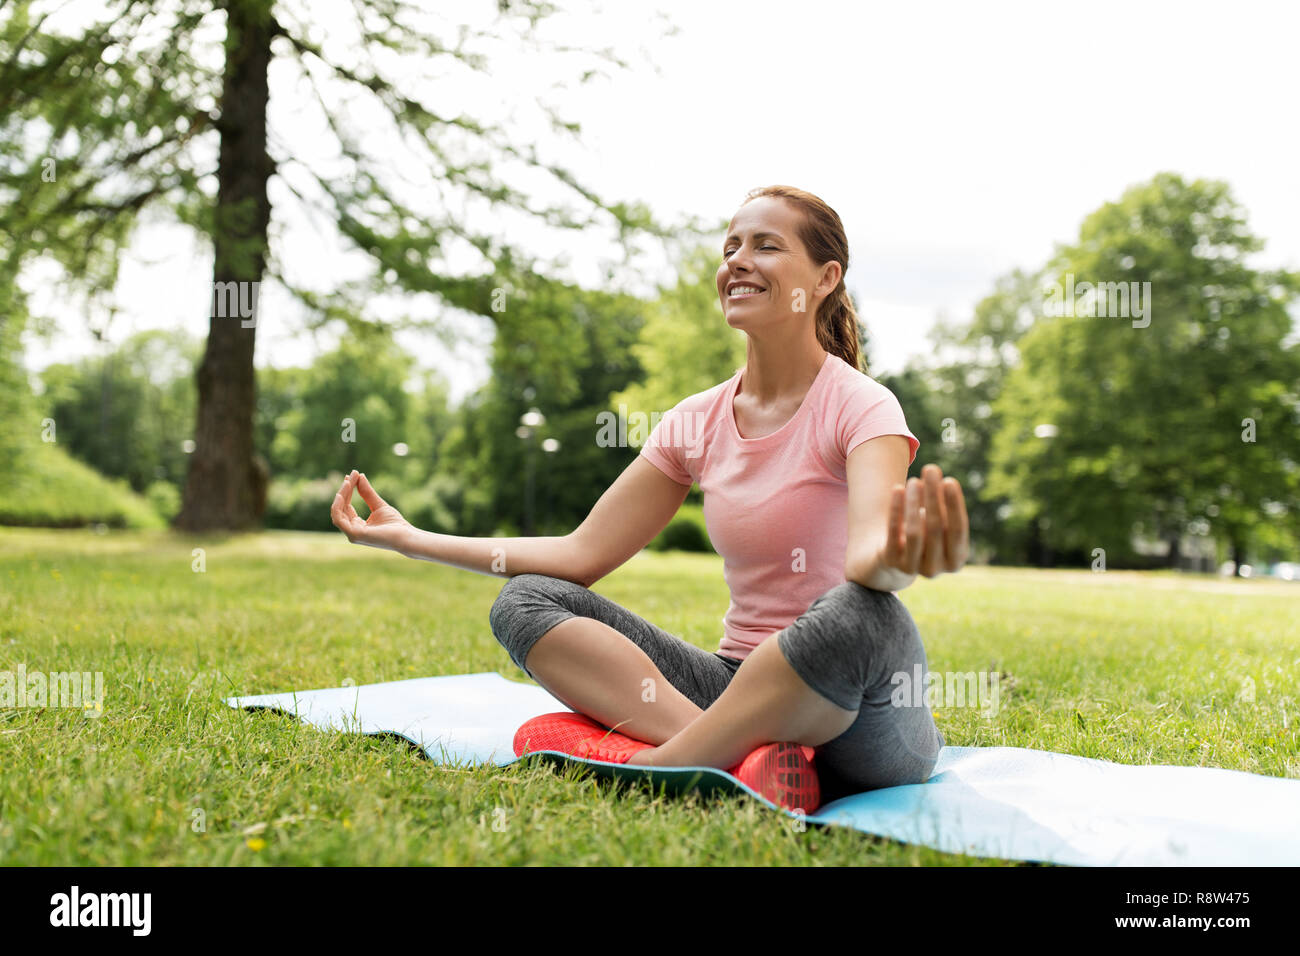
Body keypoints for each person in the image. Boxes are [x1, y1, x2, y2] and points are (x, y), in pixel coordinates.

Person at [330, 185, 969, 812]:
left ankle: (670, 762)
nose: (738, 262)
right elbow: (580, 554)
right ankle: (742, 758)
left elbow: (868, 562)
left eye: (766, 246)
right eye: (731, 247)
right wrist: (409, 539)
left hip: (856, 721)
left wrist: (899, 559)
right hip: (731, 685)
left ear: (825, 278)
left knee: (863, 612)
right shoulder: (696, 420)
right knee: (525, 598)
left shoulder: (862, 405)